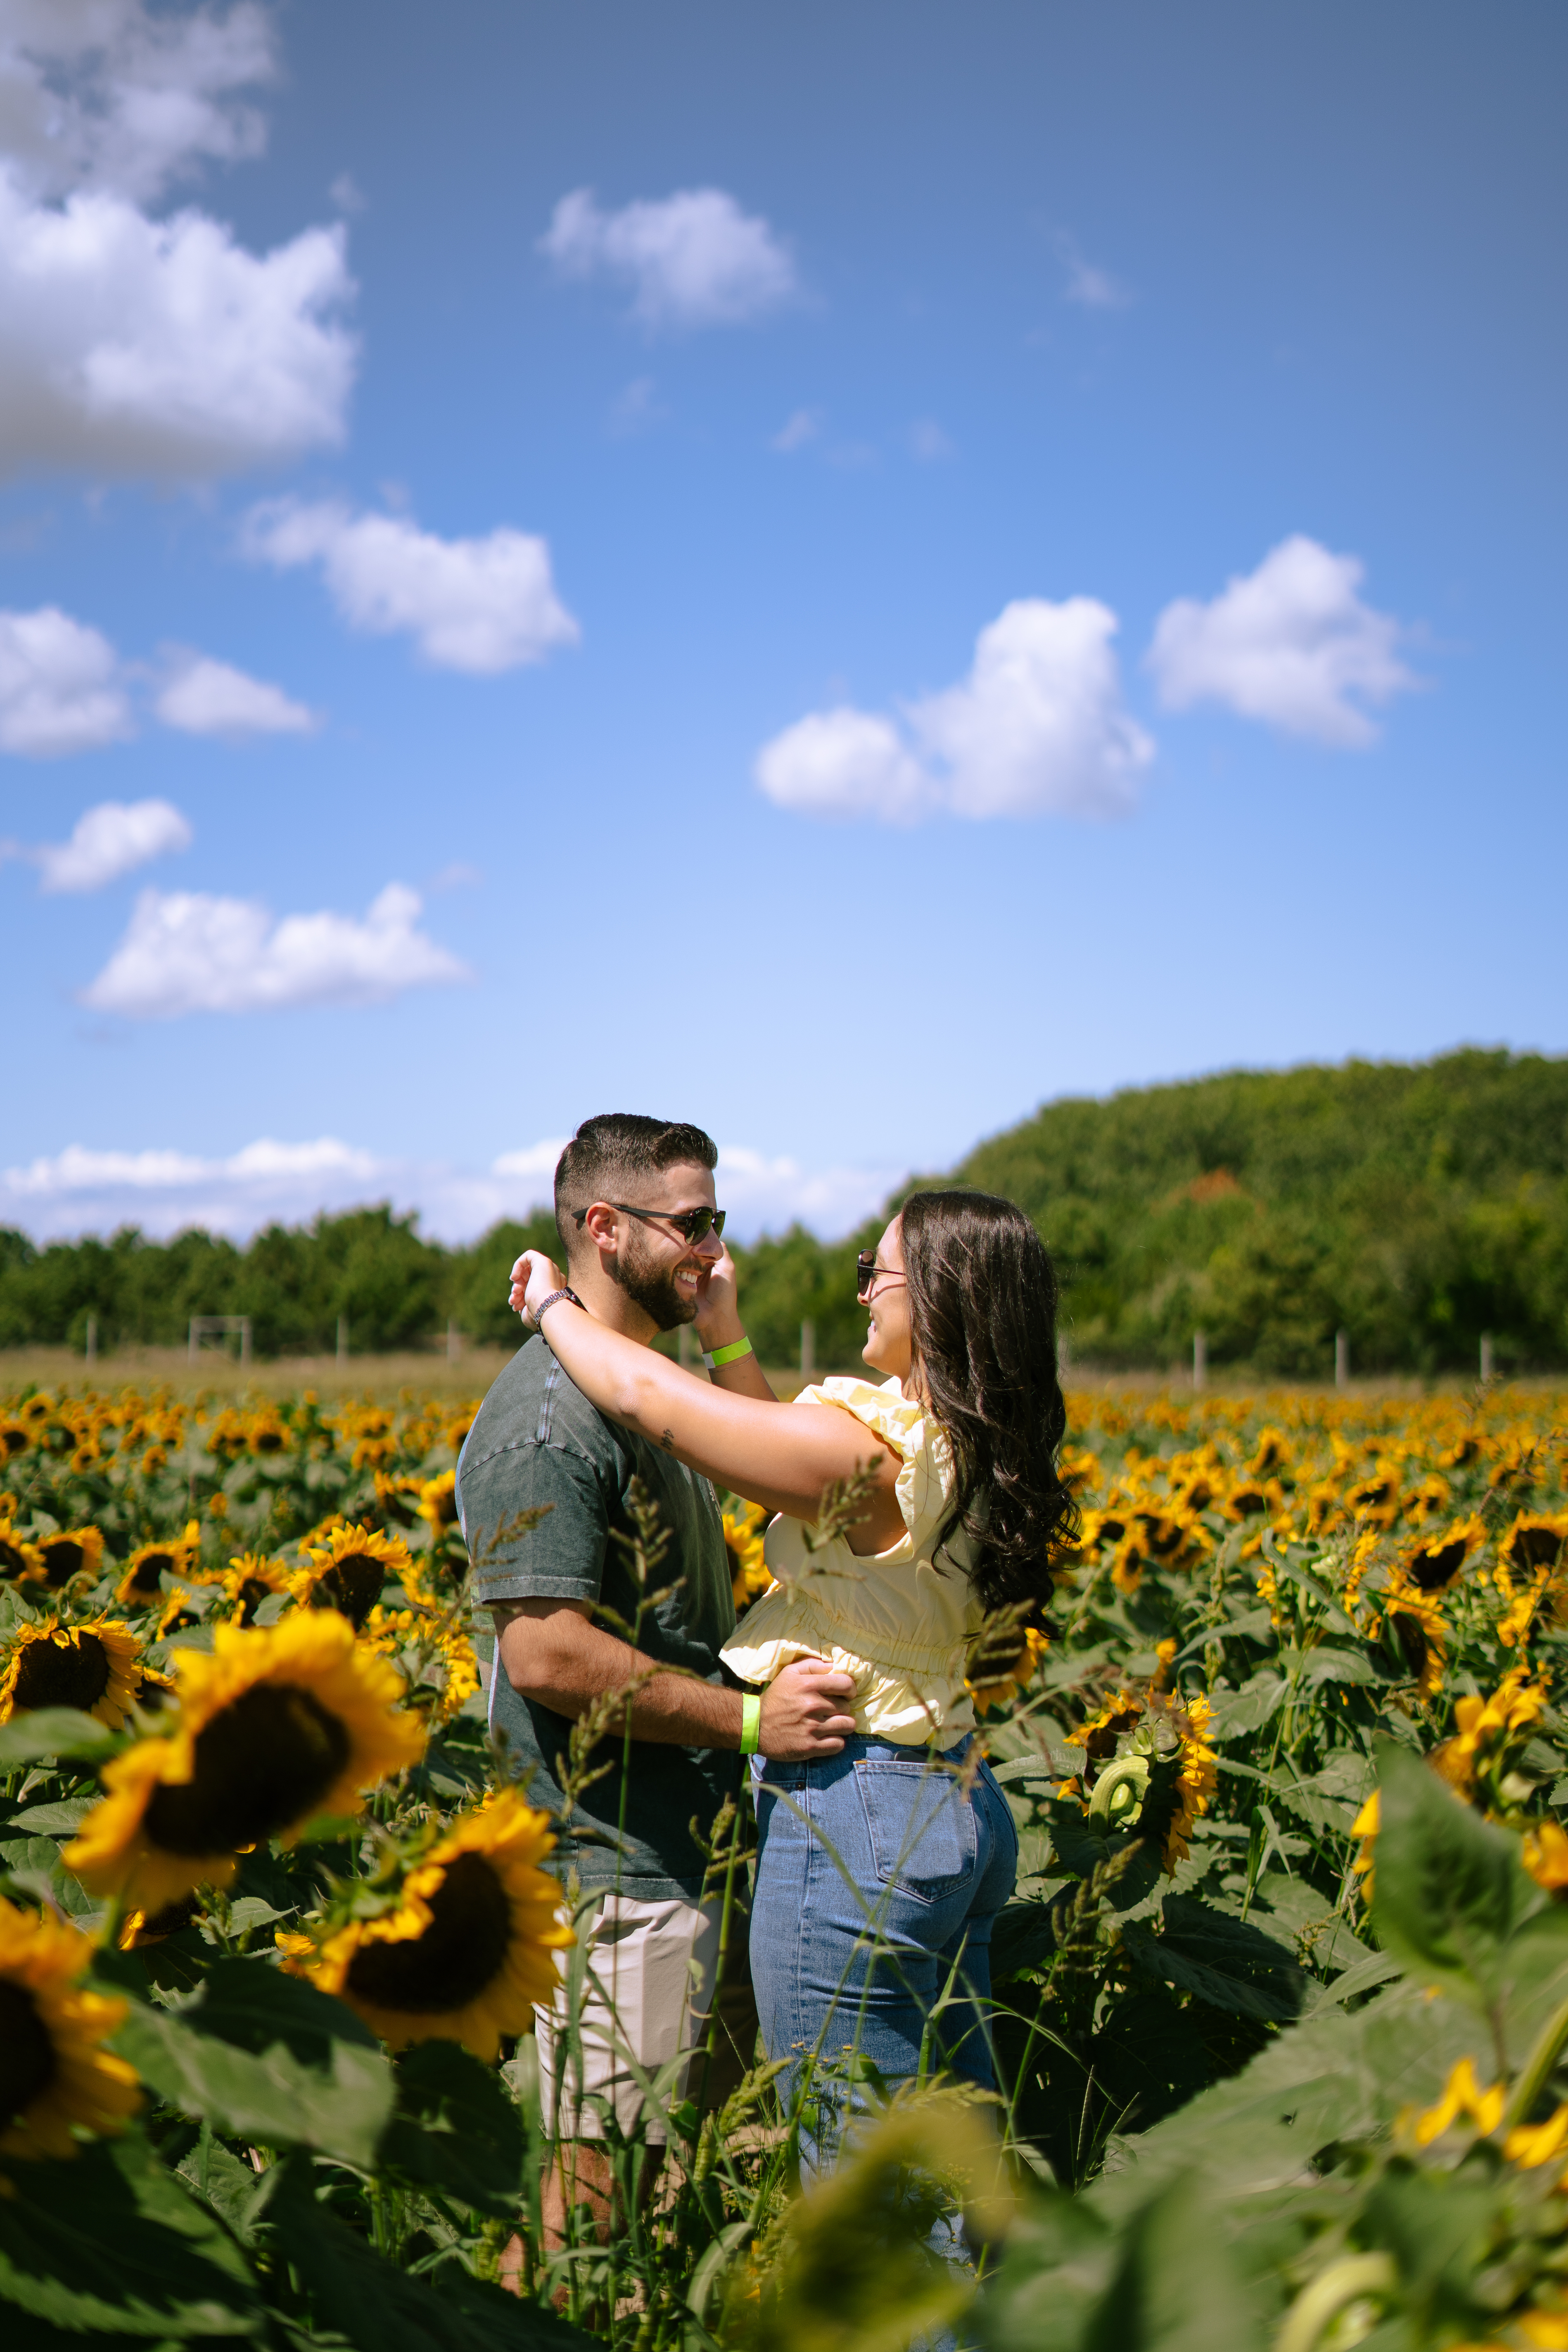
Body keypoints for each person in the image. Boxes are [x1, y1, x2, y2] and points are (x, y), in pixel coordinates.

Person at [509, 1183, 1076, 2172]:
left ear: (935, 1294)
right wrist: (724, 1332)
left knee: (866, 2176)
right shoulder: (972, 1443)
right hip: (956, 1802)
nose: (863, 1294)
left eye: (875, 1273)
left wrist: (554, 1304)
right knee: (957, 2154)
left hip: (861, 1816)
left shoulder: (878, 1452)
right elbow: (782, 1460)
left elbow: (648, 1399)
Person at [456, 1114, 859, 2242]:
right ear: (605, 1227)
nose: (713, 1249)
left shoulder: (644, 1388)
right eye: (691, 1223)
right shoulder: (551, 1419)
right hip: (613, 1865)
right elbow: (545, 1655)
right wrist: (751, 1723)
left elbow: (795, 1479)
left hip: (691, 1845)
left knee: (668, 2185)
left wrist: (725, 1328)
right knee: (589, 2202)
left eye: (717, 1219)